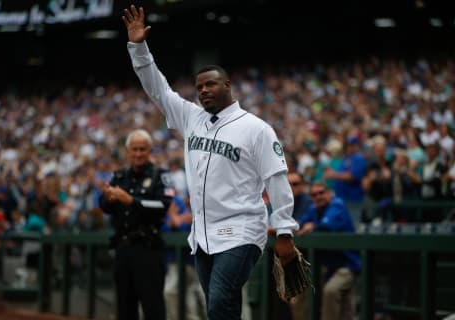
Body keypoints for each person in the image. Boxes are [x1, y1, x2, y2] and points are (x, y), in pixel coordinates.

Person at [122, 5, 299, 319]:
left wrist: (284, 231)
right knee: (219, 307)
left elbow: (277, 178)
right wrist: (138, 47)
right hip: (202, 234)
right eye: (199, 86)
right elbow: (157, 89)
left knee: (219, 302)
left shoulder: (256, 128)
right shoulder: (192, 118)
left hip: (242, 230)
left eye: (211, 84)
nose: (203, 90)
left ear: (228, 86)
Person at [99, 129, 174, 320]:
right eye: (134, 149)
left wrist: (131, 200)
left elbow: (163, 204)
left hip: (148, 248)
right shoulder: (119, 176)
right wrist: (108, 198)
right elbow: (104, 206)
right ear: (127, 151)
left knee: (153, 307)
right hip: (123, 248)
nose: (138, 154)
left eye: (142, 149)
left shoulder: (160, 175)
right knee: (124, 307)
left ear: (150, 151)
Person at [296, 182, 361, 320]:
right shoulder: (314, 208)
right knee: (345, 307)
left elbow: (327, 227)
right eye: (314, 194)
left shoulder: (337, 205)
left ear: (329, 193)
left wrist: (313, 226)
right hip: (329, 267)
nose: (319, 196)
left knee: (331, 292)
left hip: (347, 265)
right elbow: (300, 225)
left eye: (322, 192)